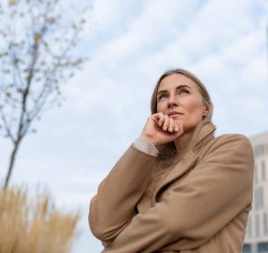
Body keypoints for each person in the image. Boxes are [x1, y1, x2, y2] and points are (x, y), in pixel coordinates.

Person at [89, 68, 254, 253]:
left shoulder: (231, 148)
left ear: (205, 108)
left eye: (183, 91)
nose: (172, 102)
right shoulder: (148, 168)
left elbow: (175, 221)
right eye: (163, 97)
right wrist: (147, 143)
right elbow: (103, 224)